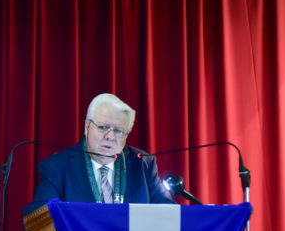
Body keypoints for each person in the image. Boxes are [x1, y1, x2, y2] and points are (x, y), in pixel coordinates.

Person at [23, 93, 174, 217]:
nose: (110, 137)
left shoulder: (143, 164)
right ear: (87, 127)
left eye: (118, 131)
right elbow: (38, 220)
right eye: (103, 127)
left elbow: (169, 214)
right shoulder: (58, 167)